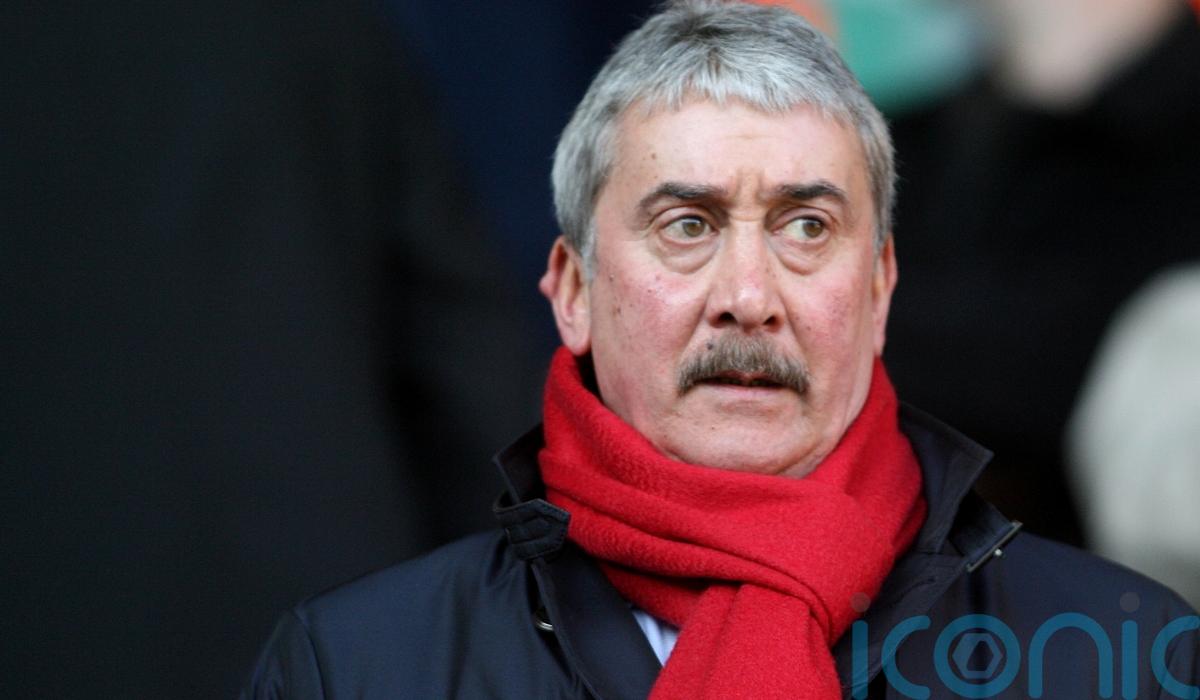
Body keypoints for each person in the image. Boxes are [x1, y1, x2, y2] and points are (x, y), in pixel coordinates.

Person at [241, 2, 1199, 697]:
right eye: (687, 226)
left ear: (878, 294)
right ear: (573, 293)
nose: (748, 299)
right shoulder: (354, 669)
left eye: (807, 228)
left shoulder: (1124, 657)